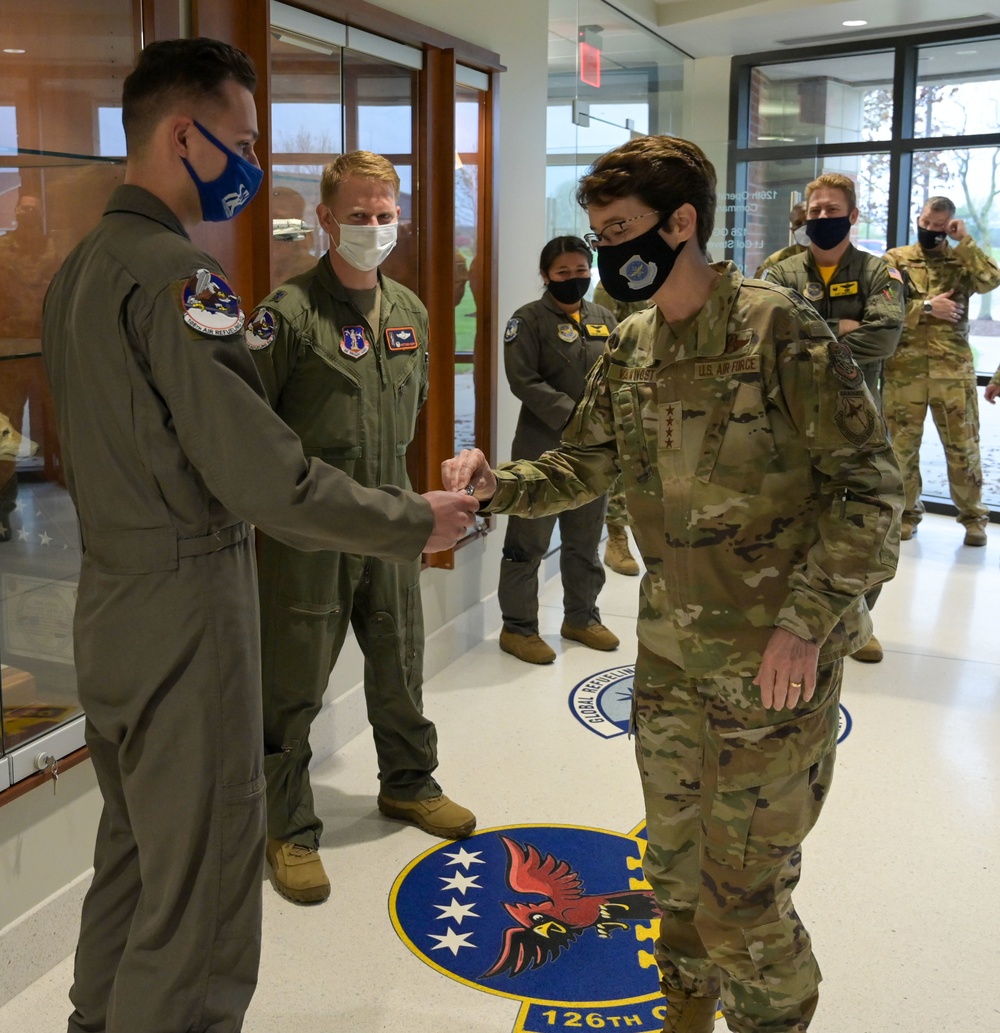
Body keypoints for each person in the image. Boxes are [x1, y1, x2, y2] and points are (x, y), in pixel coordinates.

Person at [40, 39, 477, 1033]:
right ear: (183, 135)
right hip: (186, 613)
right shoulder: (180, 283)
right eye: (238, 142)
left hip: (108, 604)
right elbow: (267, 479)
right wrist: (417, 519)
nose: (246, 167)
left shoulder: (79, 274)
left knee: (138, 859)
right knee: (199, 906)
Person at [443, 135, 902, 1033]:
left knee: (745, 898)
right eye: (597, 232)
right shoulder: (635, 341)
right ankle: (687, 1006)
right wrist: (502, 483)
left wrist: (806, 623)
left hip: (775, 664)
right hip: (672, 655)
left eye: (619, 230)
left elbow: (873, 489)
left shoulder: (782, 330)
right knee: (673, 871)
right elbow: (586, 461)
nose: (606, 253)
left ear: (681, 222)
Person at [247, 151, 477, 905]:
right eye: (358, 215)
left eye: (385, 215)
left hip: (390, 520)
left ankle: (409, 781)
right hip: (307, 536)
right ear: (324, 219)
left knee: (400, 657)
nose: (375, 228)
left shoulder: (409, 311)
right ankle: (287, 826)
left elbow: (410, 412)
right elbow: (250, 437)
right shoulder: (286, 315)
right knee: (292, 683)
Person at [763, 172, 904, 663]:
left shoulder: (876, 272)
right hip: (793, 420)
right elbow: (770, 338)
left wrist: (815, 340)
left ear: (853, 215)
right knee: (800, 516)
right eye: (816, 210)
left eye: (832, 210)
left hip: (856, 416)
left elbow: (886, 336)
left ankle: (858, 622)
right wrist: (845, 330)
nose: (823, 218)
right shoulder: (780, 272)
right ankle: (803, 617)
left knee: (863, 519)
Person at [497, 235, 620, 665]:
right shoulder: (527, 320)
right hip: (542, 450)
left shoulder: (605, 316)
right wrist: (577, 418)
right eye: (563, 272)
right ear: (546, 275)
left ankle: (582, 618)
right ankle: (518, 628)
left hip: (594, 453)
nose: (573, 279)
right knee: (527, 542)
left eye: (581, 271)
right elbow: (523, 381)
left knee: (585, 541)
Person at [883, 195, 1000, 545]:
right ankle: (907, 515)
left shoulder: (960, 259)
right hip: (905, 371)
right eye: (926, 223)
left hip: (953, 373)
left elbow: (991, 280)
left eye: (938, 226)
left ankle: (974, 519)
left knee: (963, 448)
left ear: (949, 225)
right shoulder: (896, 259)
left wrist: (965, 242)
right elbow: (882, 308)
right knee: (902, 450)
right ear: (918, 218)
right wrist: (928, 307)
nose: (930, 231)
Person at [593, 279, 647, 576]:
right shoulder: (623, 276)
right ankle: (617, 539)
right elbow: (607, 338)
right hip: (632, 378)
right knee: (624, 458)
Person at [753, 200, 808, 278]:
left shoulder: (828, 258)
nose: (804, 227)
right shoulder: (775, 262)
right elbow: (756, 289)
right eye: (798, 224)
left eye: (808, 222)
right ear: (792, 229)